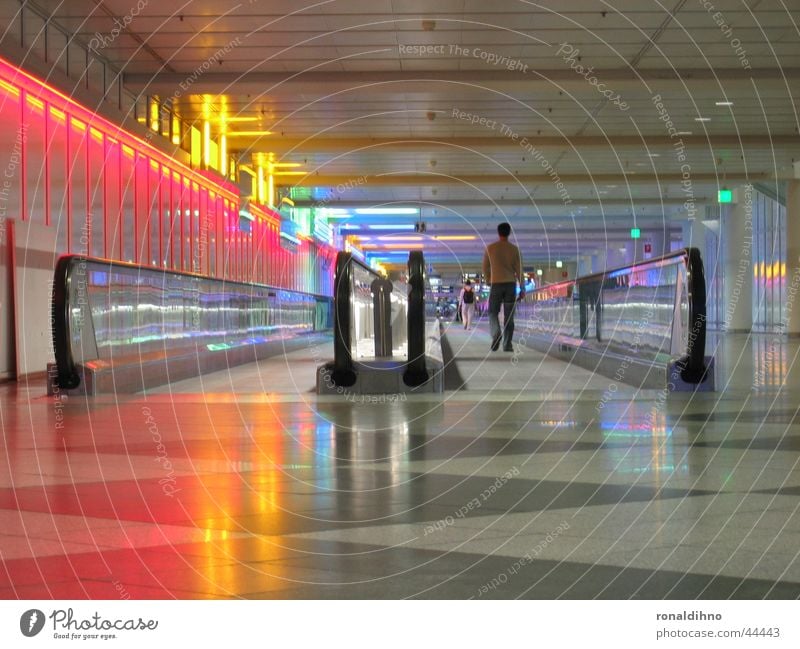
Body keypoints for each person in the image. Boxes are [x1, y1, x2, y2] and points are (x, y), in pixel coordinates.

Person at [482, 222, 524, 352]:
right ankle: (507, 345)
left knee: (493, 312)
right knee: (509, 316)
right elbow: (519, 270)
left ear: (498, 232)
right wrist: (522, 288)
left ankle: (495, 333)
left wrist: (489, 280)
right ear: (509, 232)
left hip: (496, 284)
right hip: (510, 285)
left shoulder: (490, 248)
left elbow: (485, 267)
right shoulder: (514, 249)